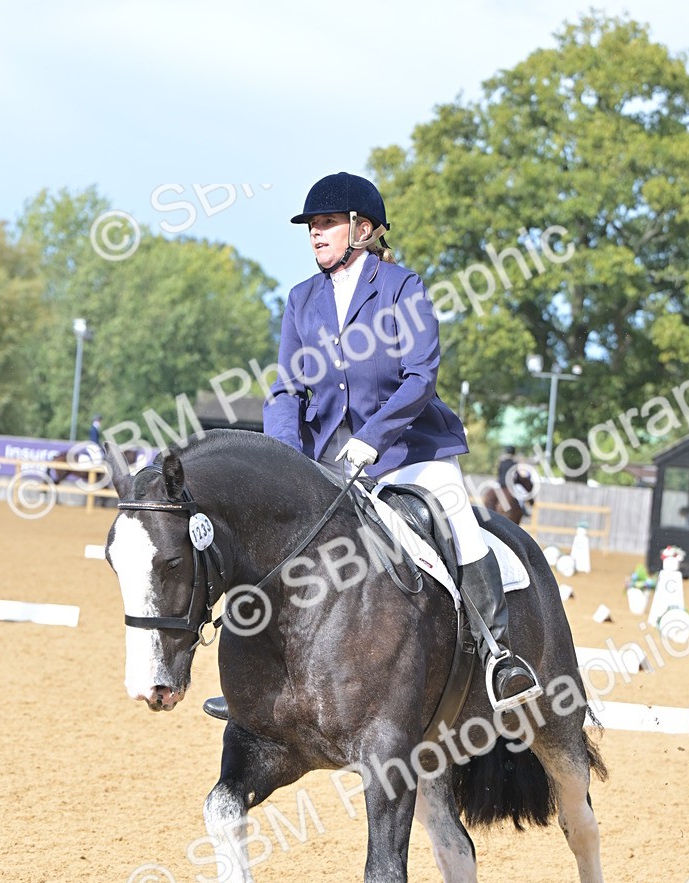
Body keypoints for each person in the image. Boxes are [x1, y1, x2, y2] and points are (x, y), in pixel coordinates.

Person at [203, 173, 542, 719]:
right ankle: (256, 679)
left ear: (363, 229)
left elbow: (420, 378)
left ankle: (500, 657)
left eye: (327, 223)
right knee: (270, 543)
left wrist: (370, 439)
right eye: (312, 226)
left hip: (408, 453)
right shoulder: (301, 300)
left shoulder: (403, 288)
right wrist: (284, 462)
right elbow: (288, 388)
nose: (316, 234)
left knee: (458, 521)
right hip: (323, 461)